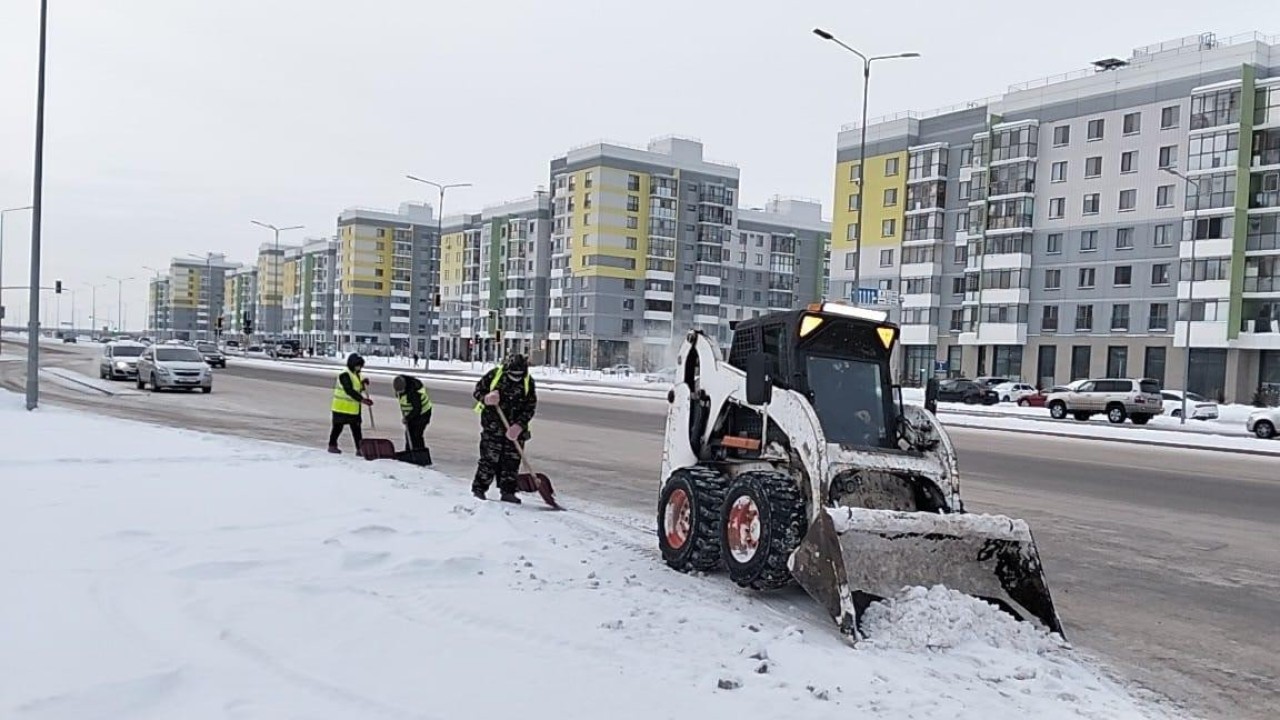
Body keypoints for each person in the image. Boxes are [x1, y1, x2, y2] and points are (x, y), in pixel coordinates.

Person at [471, 353, 537, 503]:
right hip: (493, 428)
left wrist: (519, 426)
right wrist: (486, 398)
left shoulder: (528, 383)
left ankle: (508, 492)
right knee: (489, 460)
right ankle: (479, 489)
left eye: (519, 374)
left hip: (515, 431)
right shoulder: (495, 376)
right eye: (513, 374)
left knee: (512, 462)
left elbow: (530, 407)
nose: (516, 377)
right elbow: (477, 391)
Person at [329, 353, 373, 454]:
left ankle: (360, 449)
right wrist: (362, 400)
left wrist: (362, 384)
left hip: (353, 408)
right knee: (337, 428)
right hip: (341, 408)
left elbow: (356, 388)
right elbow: (349, 390)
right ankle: (332, 445)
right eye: (358, 365)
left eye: (360, 366)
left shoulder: (356, 374)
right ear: (352, 364)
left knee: (356, 430)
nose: (359, 368)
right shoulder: (344, 374)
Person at [393, 374, 432, 450]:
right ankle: (410, 451)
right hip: (413, 413)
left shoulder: (413, 393)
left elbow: (417, 409)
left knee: (416, 434)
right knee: (409, 434)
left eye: (401, 391)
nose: (400, 393)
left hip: (423, 414)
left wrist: (407, 418)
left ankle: (419, 452)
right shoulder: (400, 382)